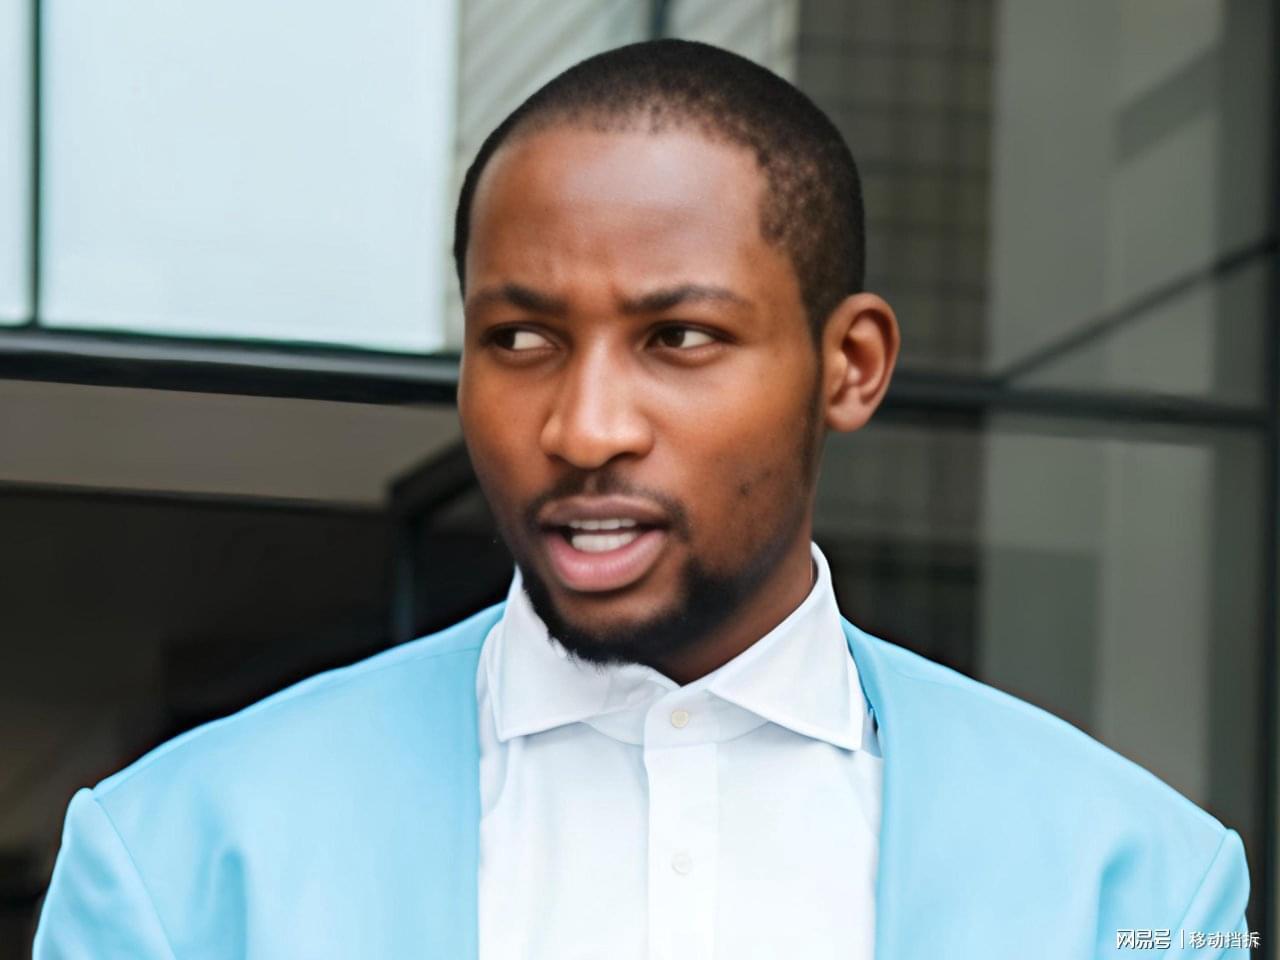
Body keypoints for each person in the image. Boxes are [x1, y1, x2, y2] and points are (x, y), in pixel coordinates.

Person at [34, 39, 1250, 959]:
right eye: (519, 339)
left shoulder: (1140, 887)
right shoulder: (177, 861)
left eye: (677, 337)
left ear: (849, 366)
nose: (582, 428)